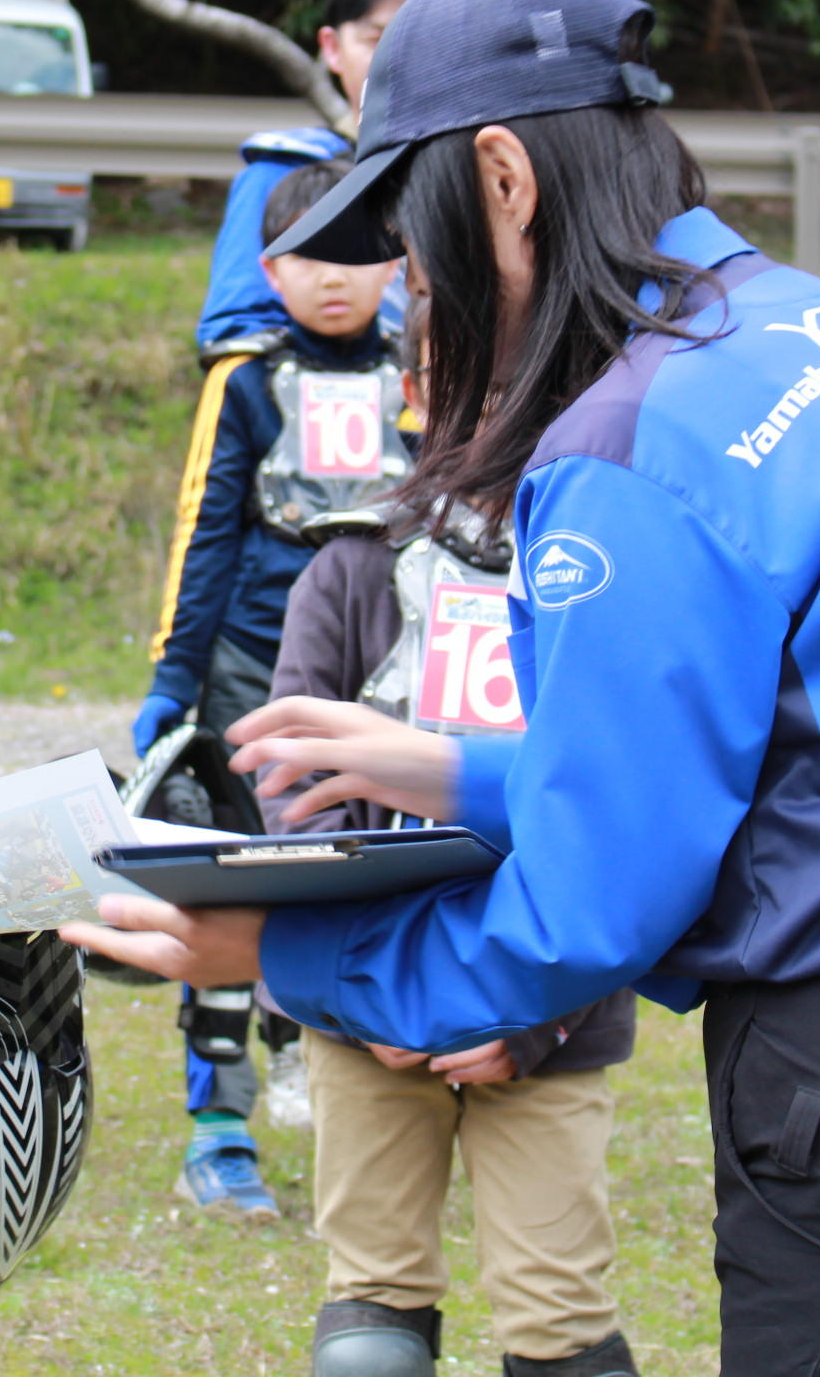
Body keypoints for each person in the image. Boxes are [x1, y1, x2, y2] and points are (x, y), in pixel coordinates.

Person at [71, 0, 820, 1377]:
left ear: (501, 179)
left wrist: (284, 951)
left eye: (415, 242)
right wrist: (462, 768)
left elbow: (582, 916)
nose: (420, 290)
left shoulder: (631, 441)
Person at [272, 296, 638, 1377]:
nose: (493, 403)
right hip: (364, 1009)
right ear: (413, 396)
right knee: (371, 1327)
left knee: (560, 1319)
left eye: (528, 377)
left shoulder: (607, 588)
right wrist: (371, 986)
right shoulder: (346, 568)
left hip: (548, 1011)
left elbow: (626, 820)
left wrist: (540, 1017)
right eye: (461, 375)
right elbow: (291, 795)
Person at [138, 159, 408, 1222]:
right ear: (268, 269)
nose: (335, 280)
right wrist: (170, 682)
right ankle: (218, 1129)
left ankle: (336, 1084)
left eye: (360, 256)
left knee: (353, 886)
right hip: (251, 675)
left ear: (396, 265)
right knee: (229, 889)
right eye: (310, 258)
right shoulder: (245, 381)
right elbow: (202, 532)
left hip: (382, 683)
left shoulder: (424, 371)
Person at [197, 0, 441, 353]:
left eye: (422, 39)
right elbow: (237, 332)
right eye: (377, 39)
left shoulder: (490, 172)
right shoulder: (280, 172)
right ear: (331, 47)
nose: (398, 59)